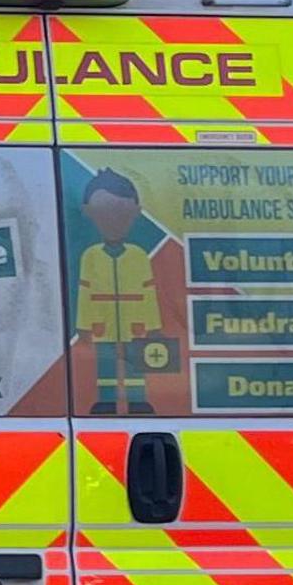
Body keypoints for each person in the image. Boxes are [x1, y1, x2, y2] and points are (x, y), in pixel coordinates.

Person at [71, 169, 187, 418]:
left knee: (135, 367)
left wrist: (153, 326)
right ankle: (107, 401)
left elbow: (148, 291)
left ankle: (137, 402)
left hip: (135, 322)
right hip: (103, 323)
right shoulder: (90, 256)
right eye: (104, 214)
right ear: (89, 213)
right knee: (106, 366)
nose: (113, 221)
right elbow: (84, 290)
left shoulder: (138, 256)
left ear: (136, 212)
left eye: (122, 213)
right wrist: (83, 325)